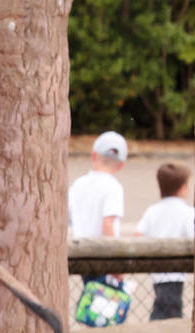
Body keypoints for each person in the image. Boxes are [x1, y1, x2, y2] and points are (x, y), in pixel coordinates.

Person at [135, 161, 195, 320]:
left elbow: (138, 235)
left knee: (162, 305)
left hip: (156, 272)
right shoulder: (187, 212)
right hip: (175, 272)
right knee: (170, 313)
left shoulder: (152, 211)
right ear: (183, 188)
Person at [68, 131, 128, 239]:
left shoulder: (78, 184)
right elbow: (107, 222)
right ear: (121, 165)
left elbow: (67, 218)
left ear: (93, 156)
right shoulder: (114, 187)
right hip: (100, 251)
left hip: (77, 247)